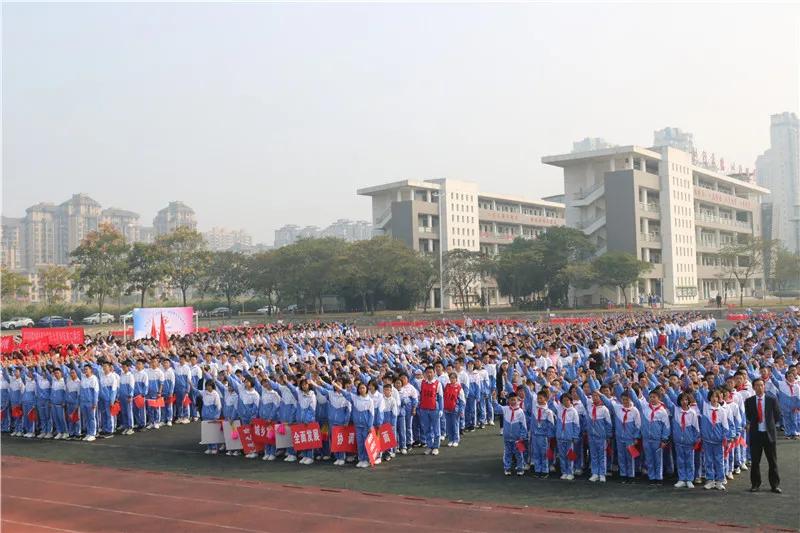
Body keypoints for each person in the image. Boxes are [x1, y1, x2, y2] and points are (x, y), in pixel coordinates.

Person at [744, 378, 782, 493]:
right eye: (757, 385)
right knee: (755, 461)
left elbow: (777, 415)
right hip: (756, 434)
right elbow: (749, 416)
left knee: (772, 461)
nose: (759, 387)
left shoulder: (772, 399)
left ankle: (775, 485)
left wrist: (770, 425)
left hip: (769, 434)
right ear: (753, 387)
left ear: (764, 386)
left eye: (761, 385)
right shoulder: (749, 401)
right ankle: (755, 484)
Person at [492, 391, 527, 476]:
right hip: (507, 437)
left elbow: (523, 425)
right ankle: (507, 468)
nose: (513, 401)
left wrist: (522, 436)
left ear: (517, 400)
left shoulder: (520, 412)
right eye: (511, 400)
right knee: (507, 453)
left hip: (517, 438)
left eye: (514, 400)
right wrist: (494, 399)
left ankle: (520, 468)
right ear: (508, 401)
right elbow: (497, 409)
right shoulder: (506, 409)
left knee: (519, 454)